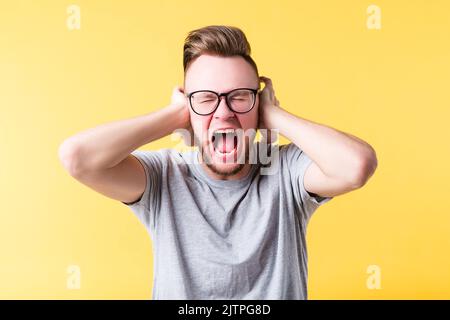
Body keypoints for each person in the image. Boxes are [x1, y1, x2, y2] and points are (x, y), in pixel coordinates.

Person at [58, 25, 378, 299]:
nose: (224, 113)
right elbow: (78, 158)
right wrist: (173, 116)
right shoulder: (164, 176)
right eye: (206, 98)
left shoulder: (285, 172)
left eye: (239, 96)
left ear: (258, 103)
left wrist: (274, 115)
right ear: (188, 105)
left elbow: (356, 166)